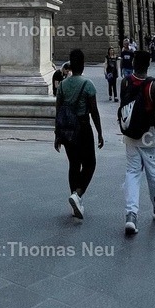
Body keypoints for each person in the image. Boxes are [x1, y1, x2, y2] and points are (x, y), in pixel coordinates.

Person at [119, 50, 155, 235]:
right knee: (154, 173)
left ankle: (131, 215)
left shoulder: (125, 81)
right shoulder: (154, 85)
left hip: (130, 136)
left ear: (133, 63)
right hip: (149, 136)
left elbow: (125, 108)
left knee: (132, 174)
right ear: (149, 64)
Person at [54, 49, 103, 220]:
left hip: (67, 130)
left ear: (70, 65)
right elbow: (94, 112)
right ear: (82, 65)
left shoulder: (63, 85)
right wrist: (100, 132)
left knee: (74, 164)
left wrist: (57, 134)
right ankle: (78, 194)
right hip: (83, 128)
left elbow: (58, 110)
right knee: (90, 163)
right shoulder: (88, 84)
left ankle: (75, 197)